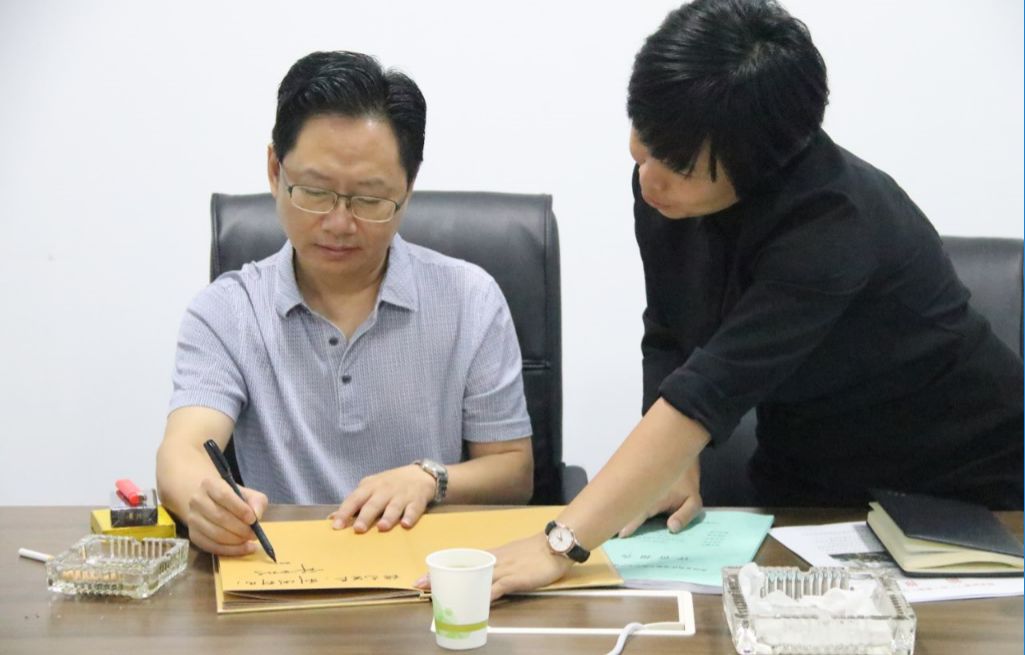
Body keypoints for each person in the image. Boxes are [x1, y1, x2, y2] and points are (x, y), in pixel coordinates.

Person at [473, 0, 1024, 599]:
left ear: (764, 166)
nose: (649, 176)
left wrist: (560, 544)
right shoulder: (667, 187)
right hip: (808, 470)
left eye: (679, 165)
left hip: (965, 480)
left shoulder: (833, 223)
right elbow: (670, 330)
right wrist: (675, 467)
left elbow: (710, 389)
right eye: (644, 140)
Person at [156, 51, 534, 557]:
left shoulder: (470, 299)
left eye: (369, 199)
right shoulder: (228, 311)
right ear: (275, 170)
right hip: (282, 573)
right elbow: (182, 452)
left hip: (424, 574)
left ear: (408, 189)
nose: (338, 223)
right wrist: (204, 503)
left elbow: (514, 472)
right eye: (315, 192)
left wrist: (430, 479)